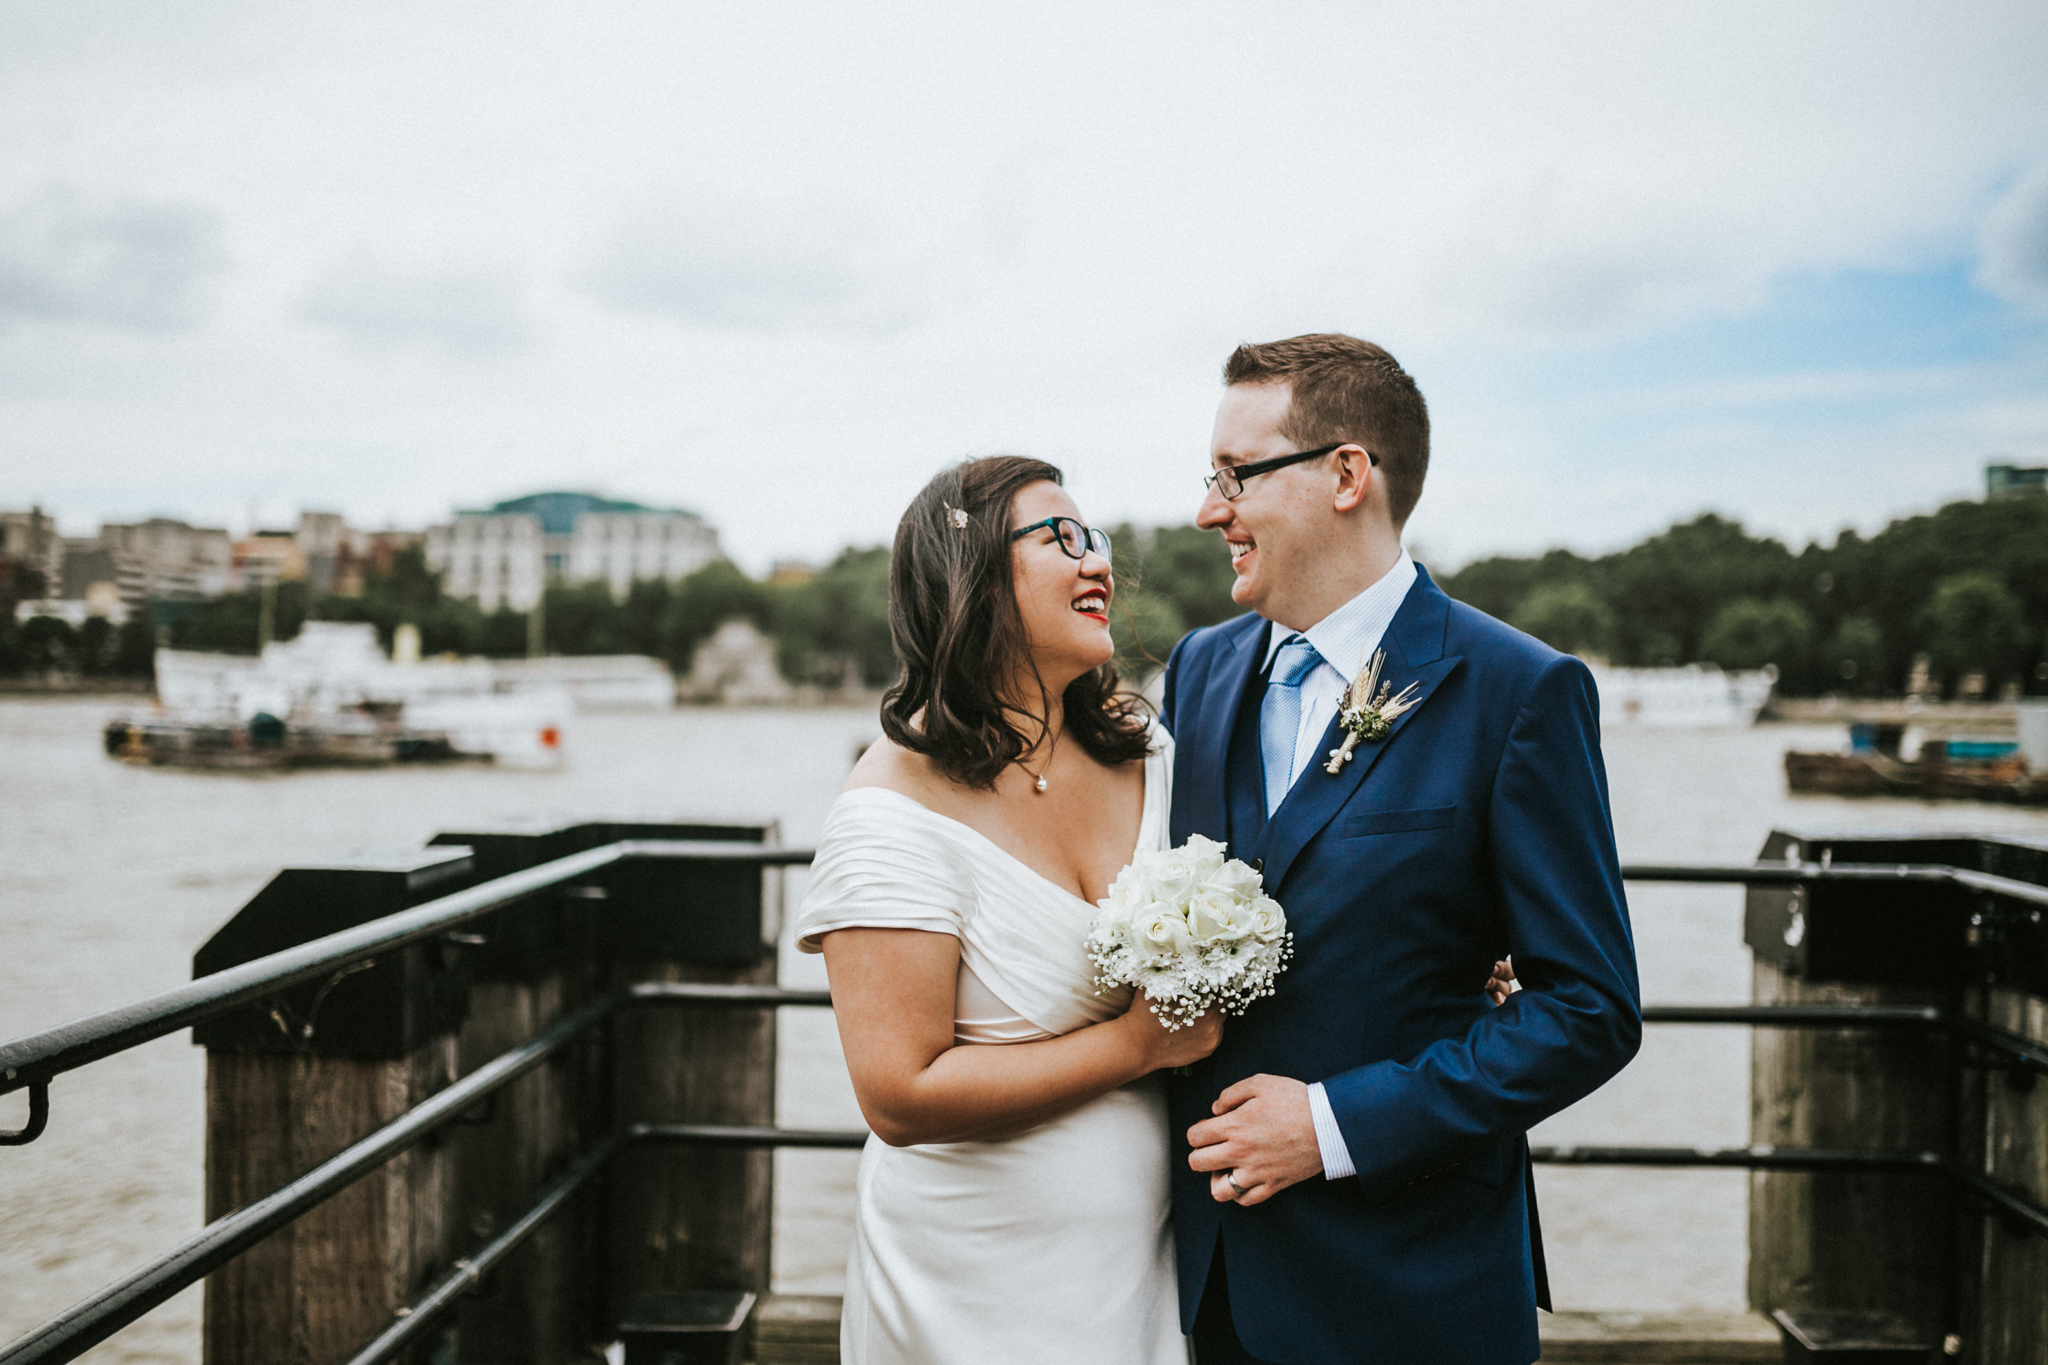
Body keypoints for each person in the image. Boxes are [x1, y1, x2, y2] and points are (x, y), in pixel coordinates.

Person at [1161, 333, 1643, 1365]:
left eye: (1234, 475)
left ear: (1344, 474)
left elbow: (1587, 1009)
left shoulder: (1517, 690)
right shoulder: (1197, 671)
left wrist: (1334, 1124)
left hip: (1408, 1286)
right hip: (1212, 1285)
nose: (1209, 510)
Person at [793, 455, 1218, 1365]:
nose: (1097, 561)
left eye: (1094, 537)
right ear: (972, 577)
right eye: (1060, 539)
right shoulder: (889, 811)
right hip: (970, 1279)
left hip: (1142, 1259)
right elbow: (899, 1093)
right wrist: (1137, 1045)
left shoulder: (1150, 752)